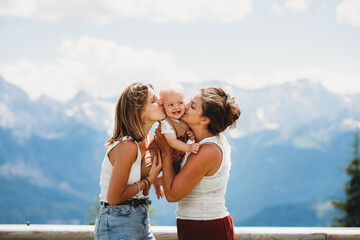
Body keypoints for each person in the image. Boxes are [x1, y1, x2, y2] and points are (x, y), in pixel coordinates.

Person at [155, 86, 241, 240]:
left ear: (204, 120)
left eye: (192, 106)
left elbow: (173, 194)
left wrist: (166, 151)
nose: (185, 106)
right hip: (199, 224)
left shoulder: (207, 150)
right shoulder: (202, 143)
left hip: (206, 228)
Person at [94, 82, 164, 240]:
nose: (161, 102)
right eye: (153, 101)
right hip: (117, 222)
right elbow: (114, 198)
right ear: (139, 112)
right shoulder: (127, 146)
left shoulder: (145, 138)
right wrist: (148, 181)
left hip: (140, 219)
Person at [142, 83, 199, 199]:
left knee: (178, 173)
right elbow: (172, 141)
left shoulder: (184, 117)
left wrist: (191, 134)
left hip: (176, 152)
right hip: (158, 149)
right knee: (149, 166)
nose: (176, 108)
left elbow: (186, 131)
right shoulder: (166, 122)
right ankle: (146, 183)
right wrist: (189, 148)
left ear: (185, 102)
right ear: (163, 106)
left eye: (180, 103)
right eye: (171, 105)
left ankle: (158, 182)